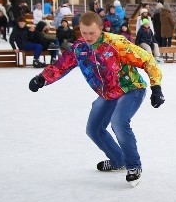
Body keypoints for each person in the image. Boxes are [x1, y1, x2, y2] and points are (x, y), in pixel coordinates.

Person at [27, 11, 164, 187]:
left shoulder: (116, 43)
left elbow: (147, 60)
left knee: (119, 122)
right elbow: (61, 65)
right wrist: (42, 78)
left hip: (130, 88)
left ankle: (133, 166)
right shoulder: (79, 48)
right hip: (108, 93)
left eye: (92, 33)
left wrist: (156, 87)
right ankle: (117, 160)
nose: (88, 37)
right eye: (84, 33)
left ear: (100, 28)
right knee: (93, 129)